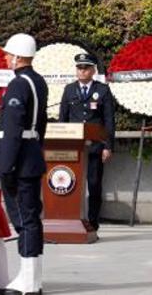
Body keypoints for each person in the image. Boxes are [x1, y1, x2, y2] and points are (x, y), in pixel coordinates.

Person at [0, 33, 48, 295]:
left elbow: (14, 128)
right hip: (31, 155)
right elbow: (41, 125)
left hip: (18, 160)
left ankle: (28, 283)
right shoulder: (38, 81)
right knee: (31, 218)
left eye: (8, 54)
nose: (5, 58)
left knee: (24, 219)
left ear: (17, 56)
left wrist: (5, 165)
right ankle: (32, 278)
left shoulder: (18, 84)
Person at [57, 52, 115, 232]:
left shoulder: (102, 90)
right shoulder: (69, 90)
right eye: (79, 68)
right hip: (74, 148)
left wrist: (108, 146)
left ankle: (93, 223)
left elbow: (109, 120)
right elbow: (63, 119)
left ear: (93, 70)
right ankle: (72, 219)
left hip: (95, 147)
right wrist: (61, 144)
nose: (82, 72)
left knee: (94, 184)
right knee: (71, 183)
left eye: (86, 68)